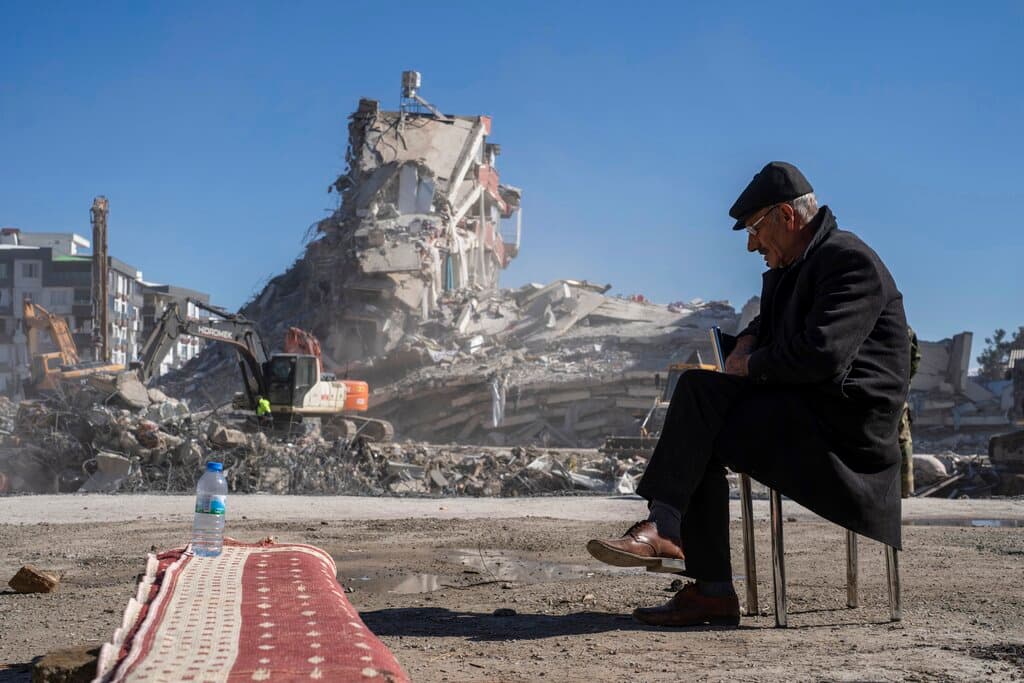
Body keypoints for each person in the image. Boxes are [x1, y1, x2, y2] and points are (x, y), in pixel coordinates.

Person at [587, 161, 911, 627]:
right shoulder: (801, 264)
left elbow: (822, 355)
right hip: (806, 412)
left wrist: (751, 365)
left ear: (787, 215)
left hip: (846, 431)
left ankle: (680, 546)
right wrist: (746, 342)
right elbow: (770, 324)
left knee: (699, 401)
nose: (751, 244)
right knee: (700, 422)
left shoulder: (848, 261)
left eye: (756, 229)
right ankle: (703, 579)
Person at [898, 328, 921, 497]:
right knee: (902, 438)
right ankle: (905, 488)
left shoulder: (862, 319)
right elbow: (915, 360)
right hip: (897, 388)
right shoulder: (905, 328)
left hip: (866, 387)